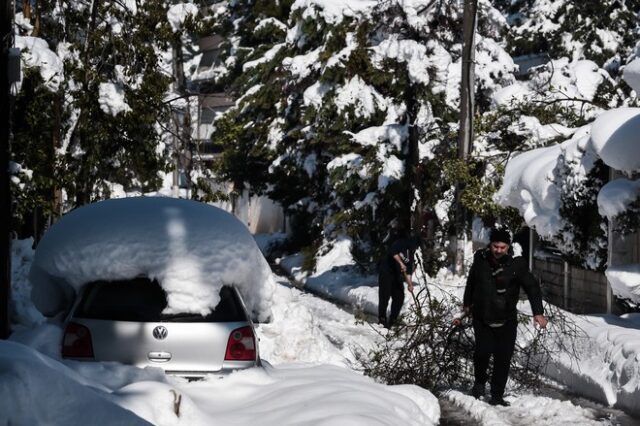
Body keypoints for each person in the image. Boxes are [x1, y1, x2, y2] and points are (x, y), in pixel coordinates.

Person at [456, 228, 548, 406]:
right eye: (495, 246)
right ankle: (480, 383)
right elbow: (471, 282)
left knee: (503, 357)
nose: (498, 250)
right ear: (490, 245)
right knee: (482, 352)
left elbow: (532, 287)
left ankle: (497, 395)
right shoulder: (480, 260)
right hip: (482, 316)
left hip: (506, 319)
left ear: (508, 247)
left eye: (502, 247)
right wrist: (467, 305)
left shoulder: (517, 265)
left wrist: (538, 312)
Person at [378, 233, 421, 328]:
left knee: (399, 296)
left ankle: (393, 320)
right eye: (416, 245)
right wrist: (401, 263)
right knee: (385, 296)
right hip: (386, 271)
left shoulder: (411, 255)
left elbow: (408, 271)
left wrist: (410, 284)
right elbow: (393, 251)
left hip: (397, 276)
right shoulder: (402, 243)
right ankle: (382, 318)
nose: (415, 248)